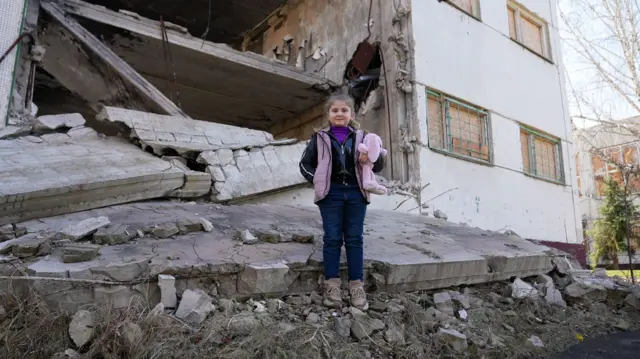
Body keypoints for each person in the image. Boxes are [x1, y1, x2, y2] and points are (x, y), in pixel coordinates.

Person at [299, 93, 385, 310]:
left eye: (344, 110)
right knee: (332, 239)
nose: (339, 114)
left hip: (356, 194)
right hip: (331, 195)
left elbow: (379, 163)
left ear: (351, 114)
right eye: (335, 110)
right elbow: (304, 164)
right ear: (329, 114)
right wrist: (318, 181)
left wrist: (372, 159)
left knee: (355, 239)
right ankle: (332, 286)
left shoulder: (362, 137)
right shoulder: (319, 138)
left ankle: (356, 287)